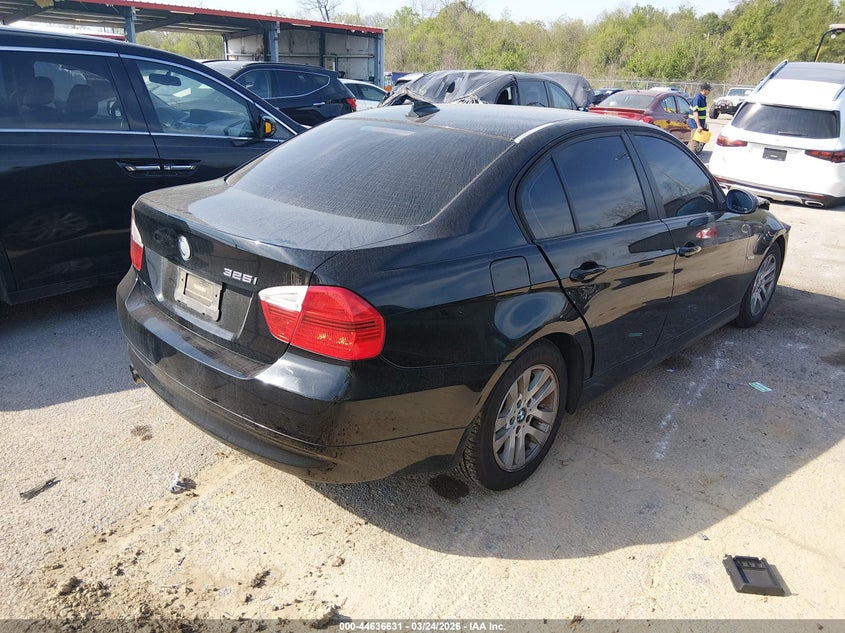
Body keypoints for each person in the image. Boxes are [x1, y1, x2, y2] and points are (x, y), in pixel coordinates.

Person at [688, 82, 711, 153]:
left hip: (699, 124)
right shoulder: (698, 98)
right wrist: (698, 126)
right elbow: (695, 113)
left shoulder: (703, 98)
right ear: (704, 90)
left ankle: (686, 156)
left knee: (693, 142)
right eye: (708, 90)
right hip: (695, 125)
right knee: (694, 143)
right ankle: (691, 160)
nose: (709, 91)